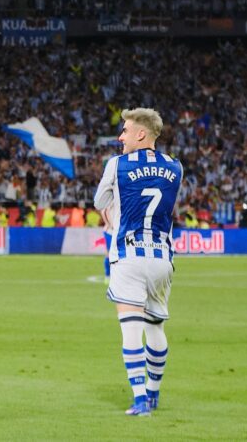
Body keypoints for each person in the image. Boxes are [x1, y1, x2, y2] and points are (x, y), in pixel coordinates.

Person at [94, 108, 183, 416]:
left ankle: (140, 399)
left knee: (131, 328)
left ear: (141, 134)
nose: (121, 136)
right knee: (156, 326)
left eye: (126, 130)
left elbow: (99, 202)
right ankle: (155, 393)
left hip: (129, 256)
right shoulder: (175, 167)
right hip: (161, 258)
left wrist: (113, 216)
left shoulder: (116, 165)